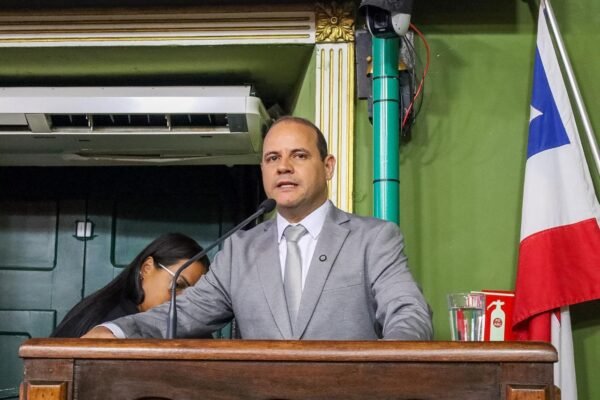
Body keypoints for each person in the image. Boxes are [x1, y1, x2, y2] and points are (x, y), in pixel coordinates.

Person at [84, 116, 433, 340]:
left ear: (328, 166)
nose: (283, 167)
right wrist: (115, 331)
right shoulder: (239, 249)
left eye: (299, 155)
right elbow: (185, 314)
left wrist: (388, 371)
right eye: (272, 158)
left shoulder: (373, 239)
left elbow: (408, 313)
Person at [53, 233, 209, 338]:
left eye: (193, 294)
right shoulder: (109, 326)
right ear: (147, 268)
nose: (183, 300)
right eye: (179, 285)